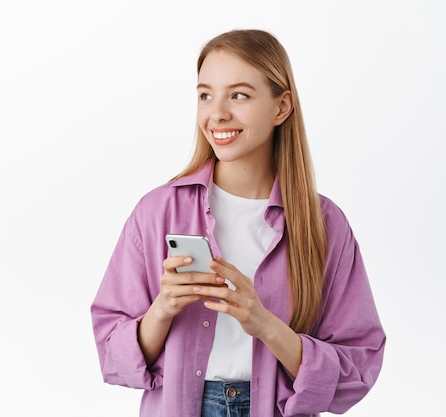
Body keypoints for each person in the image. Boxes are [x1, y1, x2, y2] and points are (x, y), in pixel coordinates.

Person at [90, 29, 385, 417]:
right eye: (205, 94)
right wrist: (163, 308)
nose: (217, 114)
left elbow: (357, 370)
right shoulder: (156, 211)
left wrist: (264, 324)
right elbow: (111, 355)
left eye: (239, 95)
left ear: (281, 108)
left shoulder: (324, 224)